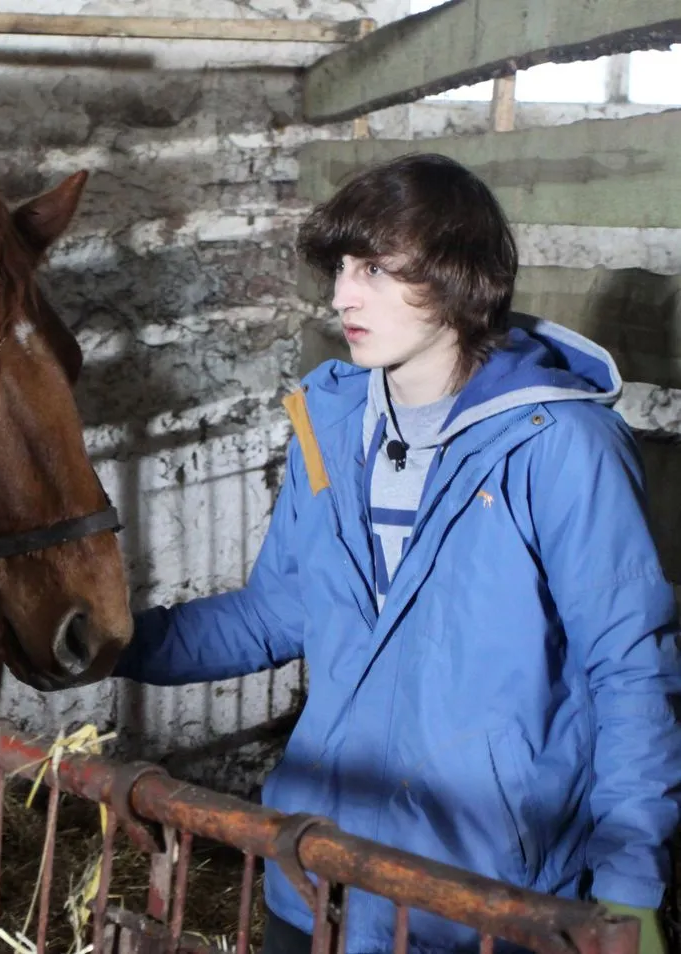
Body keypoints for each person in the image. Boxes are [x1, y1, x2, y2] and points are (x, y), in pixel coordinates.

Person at [113, 153, 678, 953]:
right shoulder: (334, 424)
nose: (343, 295)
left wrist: (628, 892)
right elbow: (279, 611)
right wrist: (112, 642)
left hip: (480, 901)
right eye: (342, 268)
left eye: (376, 269)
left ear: (460, 278)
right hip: (315, 879)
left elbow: (627, 671)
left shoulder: (560, 448)